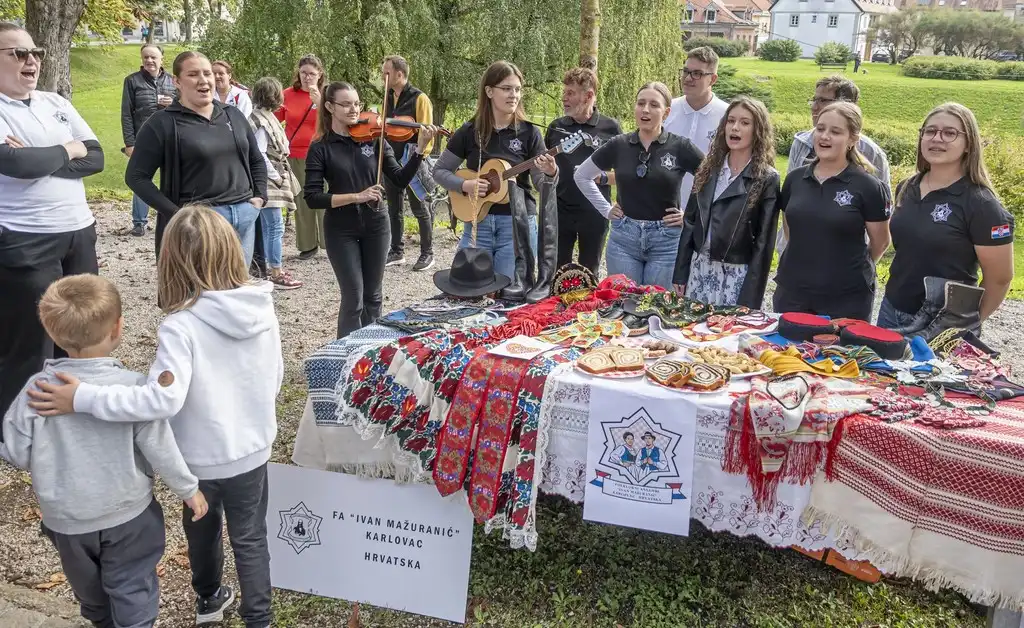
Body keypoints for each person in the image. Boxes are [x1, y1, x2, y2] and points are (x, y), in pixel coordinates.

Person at [27, 205, 284, 628]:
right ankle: (260, 619)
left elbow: (159, 401)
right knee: (251, 538)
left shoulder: (180, 326)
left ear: (172, 260)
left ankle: (208, 599)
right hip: (252, 449)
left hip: (196, 457)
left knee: (201, 526)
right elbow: (273, 379)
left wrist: (84, 398)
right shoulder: (263, 309)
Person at [0, 274, 208, 628]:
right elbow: (160, 446)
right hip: (129, 515)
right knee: (132, 589)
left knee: (91, 596)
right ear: (118, 328)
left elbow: (17, 453)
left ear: (51, 332)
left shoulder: (38, 391)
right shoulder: (132, 389)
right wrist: (189, 489)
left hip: (66, 520)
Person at [0, 22, 105, 424]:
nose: (32, 61)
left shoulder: (53, 101)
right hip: (25, 239)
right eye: (19, 53)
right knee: (29, 339)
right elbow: (16, 165)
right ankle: (16, 428)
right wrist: (67, 148)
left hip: (78, 231)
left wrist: (46, 156)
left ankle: (68, 412)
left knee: (81, 329)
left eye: (36, 53)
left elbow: (95, 158)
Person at [303, 81, 438, 338]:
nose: (354, 109)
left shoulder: (375, 139)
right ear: (329, 106)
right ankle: (344, 354)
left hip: (376, 224)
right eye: (345, 104)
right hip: (340, 228)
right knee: (353, 297)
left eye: (356, 103)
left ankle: (369, 351)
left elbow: (398, 179)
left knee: (373, 296)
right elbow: (312, 197)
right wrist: (357, 196)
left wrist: (419, 151)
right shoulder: (321, 147)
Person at [125, 51, 268, 265]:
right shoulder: (162, 123)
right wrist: (177, 214)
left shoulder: (233, 114)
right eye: (193, 74)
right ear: (177, 82)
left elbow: (256, 159)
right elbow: (136, 177)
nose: (204, 80)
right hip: (200, 222)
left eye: (207, 73)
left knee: (237, 292)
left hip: (244, 214)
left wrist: (259, 197)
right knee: (202, 293)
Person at [879, 103, 1014, 329]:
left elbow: (1000, 279)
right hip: (891, 311)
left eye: (949, 133)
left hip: (942, 321)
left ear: (968, 144)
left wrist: (967, 323)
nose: (937, 138)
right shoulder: (907, 187)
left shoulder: (981, 203)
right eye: (930, 131)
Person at [433, 61, 558, 298]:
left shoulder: (530, 133)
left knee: (510, 295)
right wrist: (465, 185)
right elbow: (439, 171)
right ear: (489, 91)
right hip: (477, 224)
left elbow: (540, 183)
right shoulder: (470, 131)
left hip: (516, 225)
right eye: (507, 88)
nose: (514, 95)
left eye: (518, 89)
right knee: (467, 293)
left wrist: (551, 173)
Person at [574, 82, 704, 289]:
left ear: (666, 112)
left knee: (657, 307)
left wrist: (690, 215)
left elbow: (712, 180)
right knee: (623, 305)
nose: (645, 109)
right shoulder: (619, 145)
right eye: (641, 103)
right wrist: (606, 209)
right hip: (624, 239)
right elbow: (582, 176)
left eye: (654, 105)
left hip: (666, 241)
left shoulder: (681, 147)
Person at [773, 102, 891, 320]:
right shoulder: (795, 179)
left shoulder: (868, 186)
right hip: (793, 291)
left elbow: (881, 242)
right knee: (786, 352)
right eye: (820, 129)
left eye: (835, 132)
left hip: (846, 298)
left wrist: (849, 270)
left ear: (853, 139)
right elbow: (790, 229)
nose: (824, 136)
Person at [673, 96, 781, 309]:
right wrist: (681, 273)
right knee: (691, 334)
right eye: (731, 121)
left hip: (736, 275)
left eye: (745, 122)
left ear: (758, 131)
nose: (735, 128)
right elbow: (690, 224)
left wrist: (751, 296)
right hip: (699, 268)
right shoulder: (708, 169)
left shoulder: (767, 178)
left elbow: (764, 243)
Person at [779, 75, 891, 254]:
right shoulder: (800, 143)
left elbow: (880, 225)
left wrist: (858, 266)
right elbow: (790, 209)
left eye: (823, 100)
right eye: (814, 99)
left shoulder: (872, 154)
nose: (815, 106)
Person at [545, 67, 622, 275]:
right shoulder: (555, 127)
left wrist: (603, 177)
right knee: (558, 272)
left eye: (571, 93)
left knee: (590, 271)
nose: (564, 98)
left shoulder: (611, 128)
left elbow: (625, 174)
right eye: (564, 92)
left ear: (589, 96)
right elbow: (543, 172)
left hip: (595, 211)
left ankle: (587, 308)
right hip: (560, 210)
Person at [381, 55, 437, 271]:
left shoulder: (419, 98)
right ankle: (396, 251)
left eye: (386, 73)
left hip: (412, 158)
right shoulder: (387, 97)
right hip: (391, 158)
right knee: (394, 208)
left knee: (419, 208)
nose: (383, 76)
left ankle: (427, 253)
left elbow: (427, 131)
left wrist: (419, 157)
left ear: (399, 74)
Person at [249, 76, 303, 289]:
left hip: (270, 174)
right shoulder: (261, 121)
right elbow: (260, 153)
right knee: (274, 226)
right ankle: (276, 272)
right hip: (269, 176)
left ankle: (268, 267)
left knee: (269, 225)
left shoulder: (263, 116)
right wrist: (276, 176)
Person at [664, 46, 729, 210]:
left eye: (697, 73)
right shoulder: (666, 110)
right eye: (685, 71)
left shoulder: (728, 116)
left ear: (713, 79)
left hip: (706, 211)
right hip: (663, 211)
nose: (688, 78)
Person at [121, 44, 175, 236]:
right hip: (143, 140)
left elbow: (183, 107)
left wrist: (172, 103)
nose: (149, 61)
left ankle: (171, 217)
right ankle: (139, 222)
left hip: (170, 139)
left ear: (162, 59)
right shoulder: (132, 81)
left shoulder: (172, 81)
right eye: (146, 57)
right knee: (141, 180)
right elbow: (126, 114)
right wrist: (129, 143)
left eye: (153, 57)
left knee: (171, 181)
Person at [277, 54, 326, 259]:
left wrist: (321, 103)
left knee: (324, 198)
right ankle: (307, 245)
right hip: (295, 153)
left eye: (312, 74)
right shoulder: (288, 94)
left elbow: (336, 121)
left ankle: (329, 241)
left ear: (320, 75)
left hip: (322, 153)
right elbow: (274, 120)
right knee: (302, 199)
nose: (307, 77)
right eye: (304, 73)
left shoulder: (327, 95)